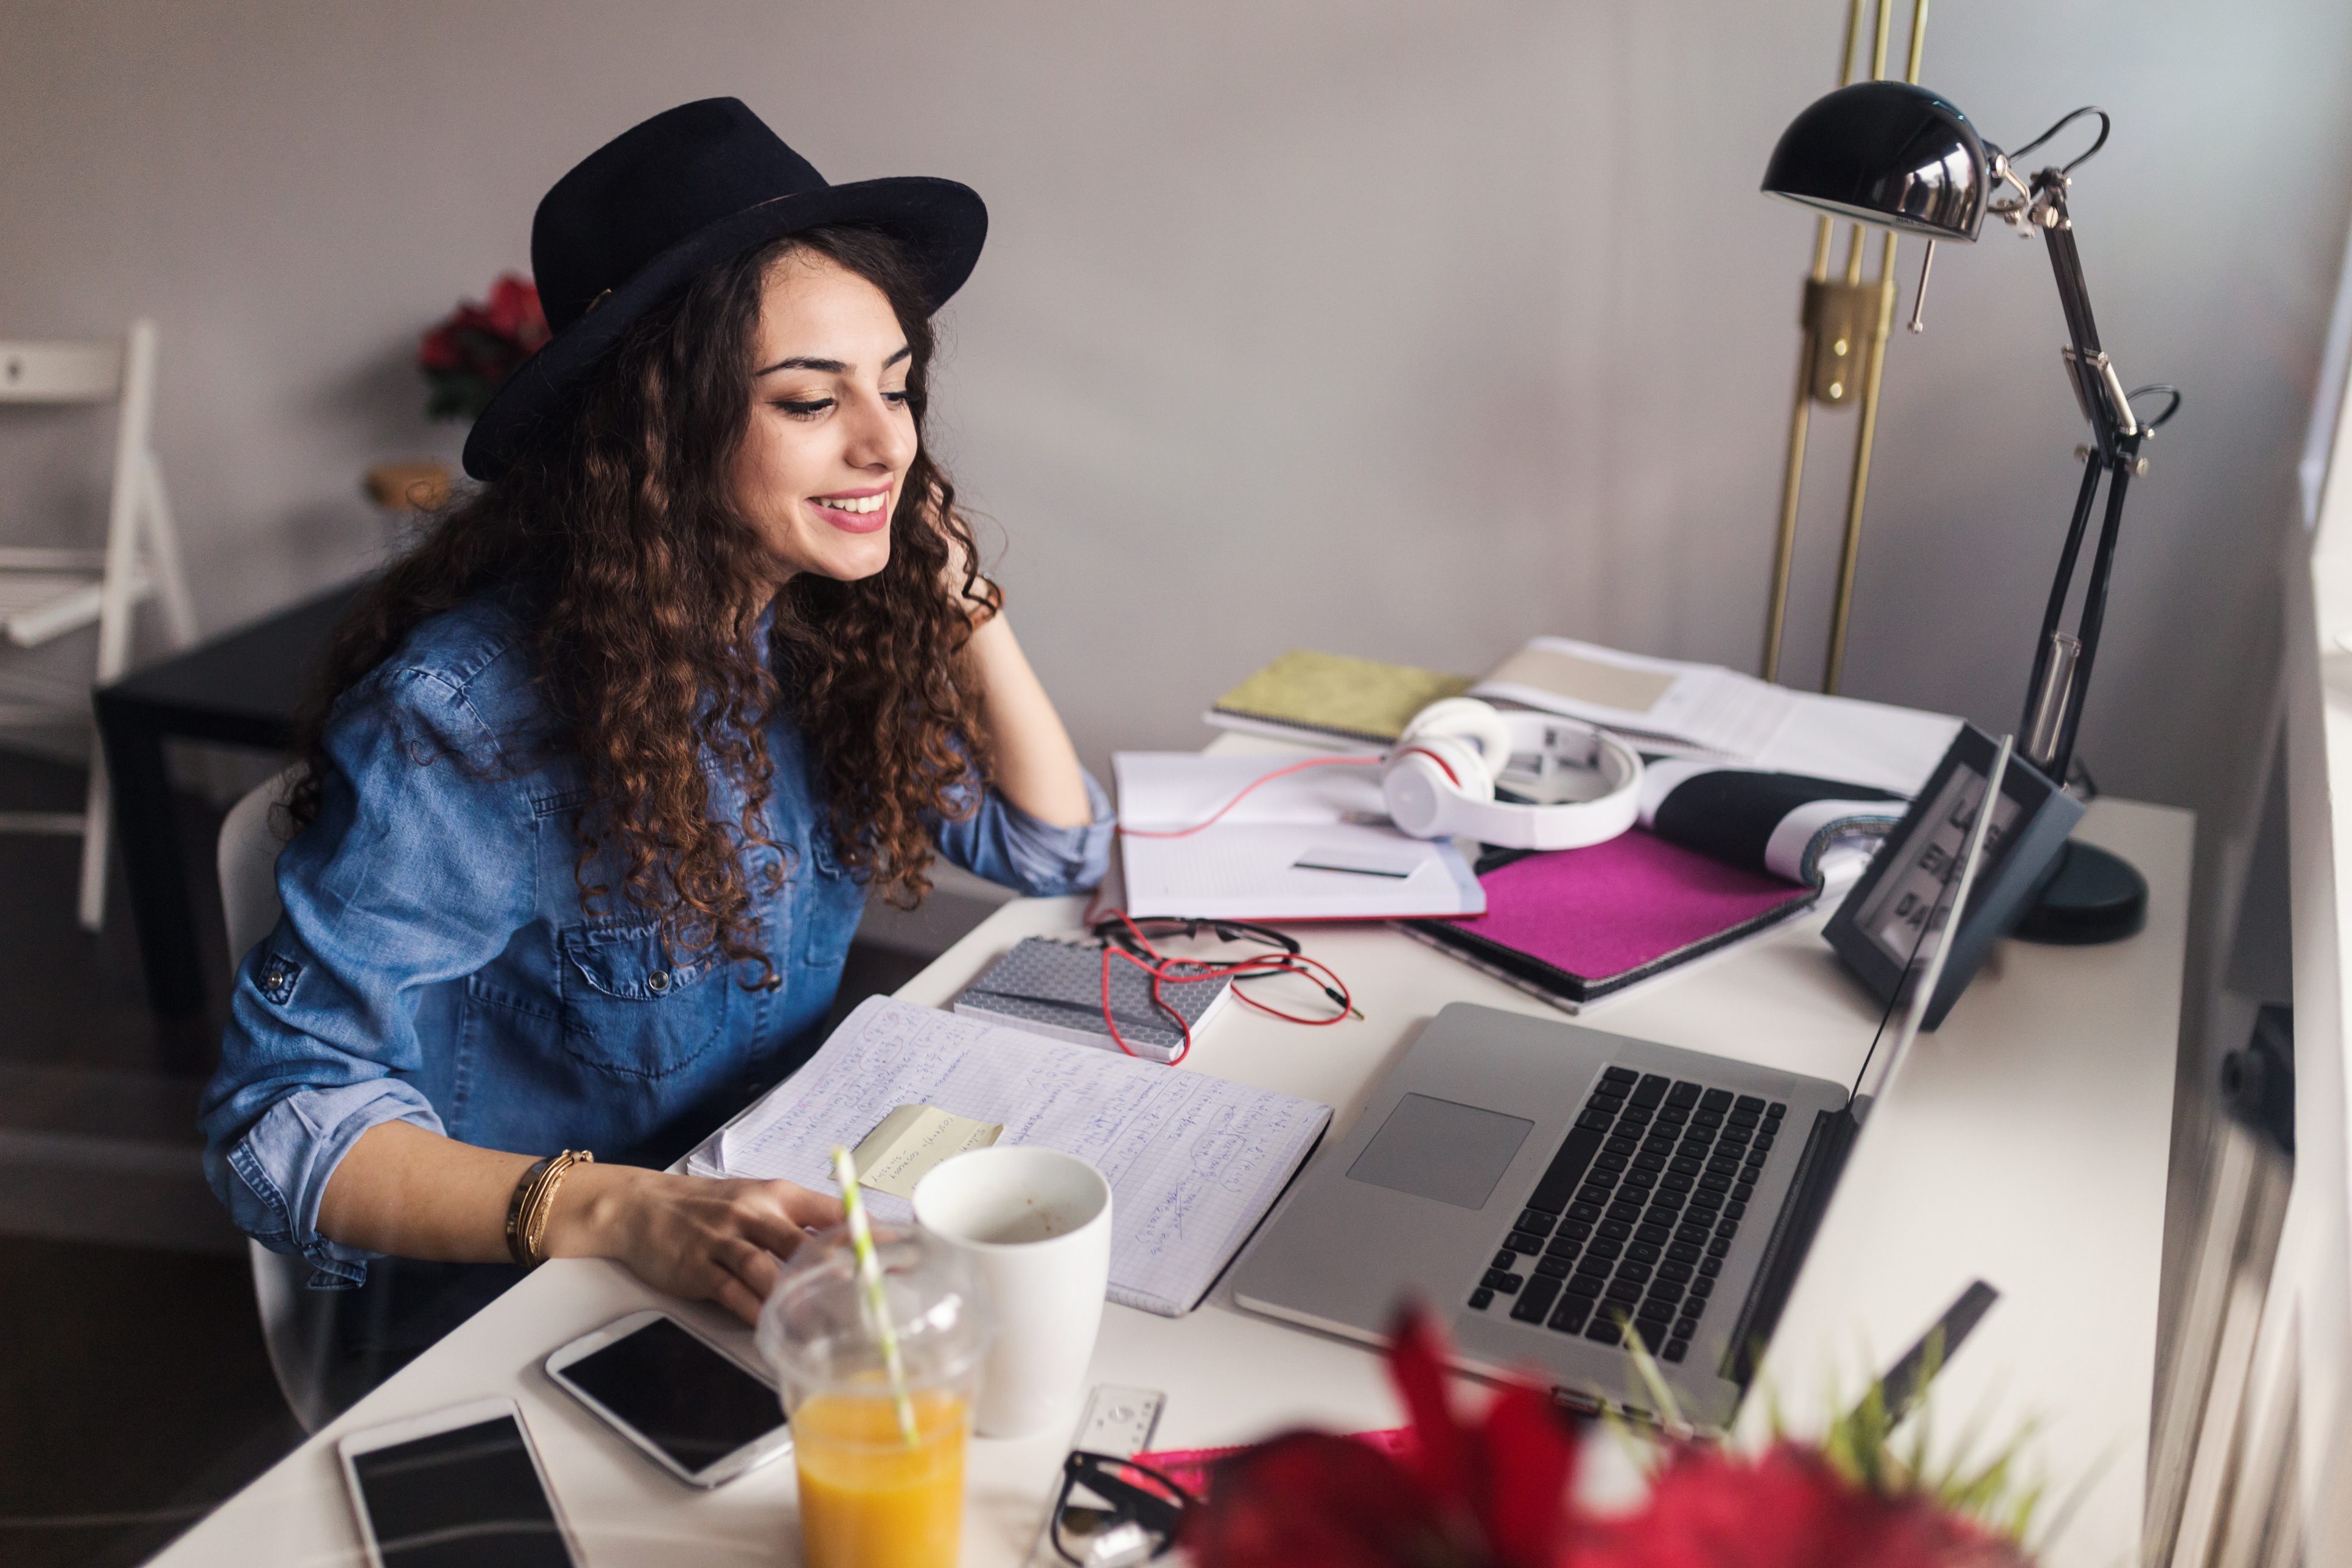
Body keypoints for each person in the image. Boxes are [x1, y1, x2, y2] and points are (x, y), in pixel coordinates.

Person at [199, 99, 1112, 1370]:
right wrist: (621, 1208)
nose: (887, 442)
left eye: (899, 388)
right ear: (658, 432)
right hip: (545, 1306)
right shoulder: (472, 722)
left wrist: (959, 593)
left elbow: (1051, 847)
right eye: (811, 400)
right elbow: (277, 1118)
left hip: (784, 1234)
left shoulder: (819, 627)